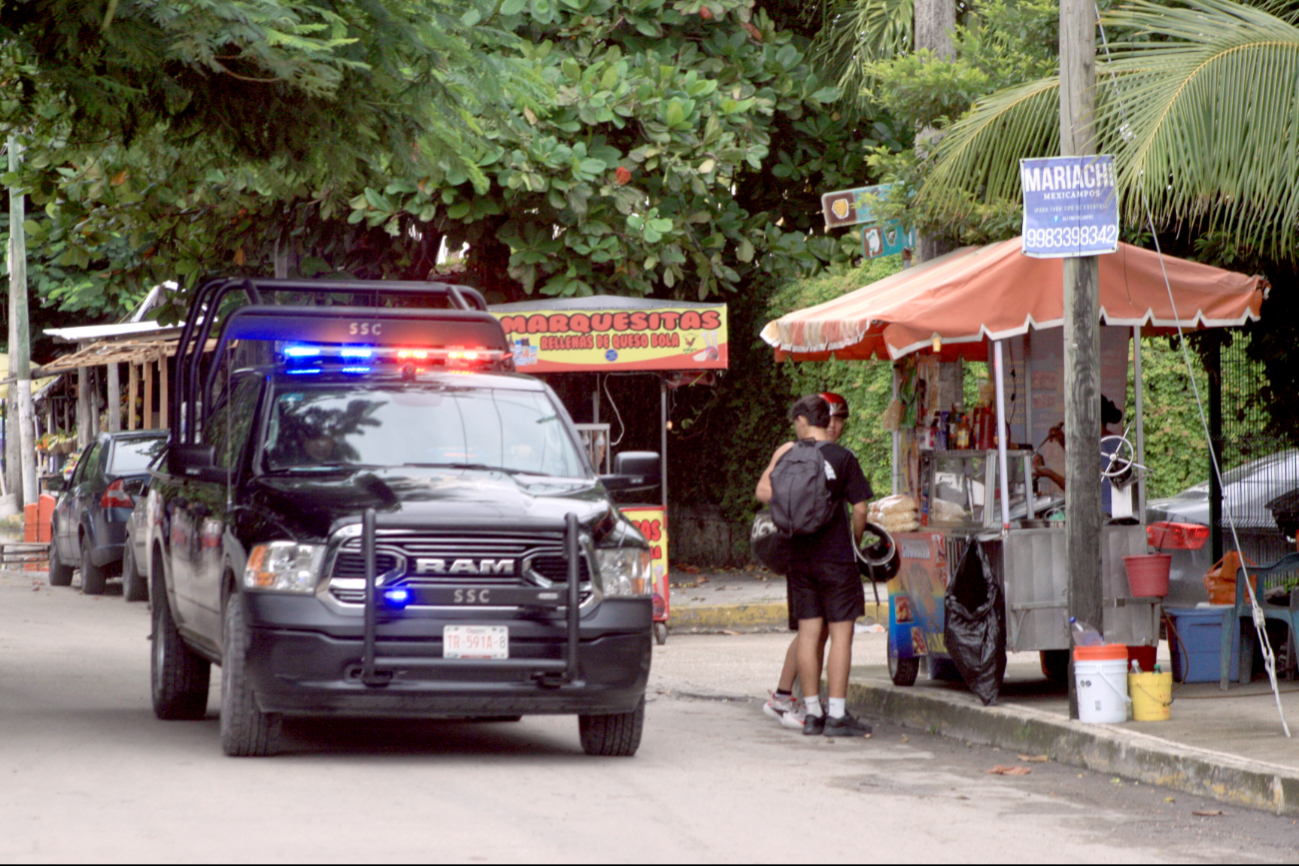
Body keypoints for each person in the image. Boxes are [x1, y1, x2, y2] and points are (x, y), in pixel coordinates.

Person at [756, 394, 874, 737]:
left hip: (799, 557)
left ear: (803, 421)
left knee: (808, 634)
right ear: (829, 421)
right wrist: (854, 539)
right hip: (836, 557)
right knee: (841, 634)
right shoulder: (843, 457)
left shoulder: (789, 455)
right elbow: (862, 510)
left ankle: (812, 714)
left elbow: (766, 492)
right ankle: (837, 714)